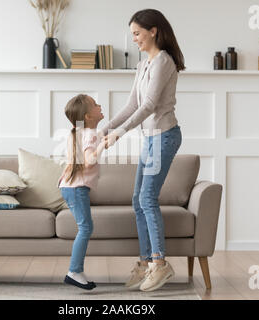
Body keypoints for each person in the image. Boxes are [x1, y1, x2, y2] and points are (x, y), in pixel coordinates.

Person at [101, 9, 185, 292]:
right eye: (132, 34)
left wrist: (119, 134)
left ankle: (160, 264)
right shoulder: (143, 65)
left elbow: (148, 105)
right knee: (138, 198)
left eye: (137, 33)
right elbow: (131, 105)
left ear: (154, 31)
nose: (134, 39)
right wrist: (106, 128)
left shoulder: (164, 61)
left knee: (148, 197)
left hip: (164, 136)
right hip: (150, 138)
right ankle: (147, 260)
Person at [58, 94, 107, 290]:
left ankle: (76, 270)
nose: (100, 104)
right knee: (85, 228)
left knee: (86, 227)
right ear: (88, 116)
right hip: (76, 188)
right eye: (96, 104)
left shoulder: (80, 132)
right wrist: (103, 145)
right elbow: (89, 161)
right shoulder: (89, 135)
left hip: (71, 187)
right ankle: (74, 271)